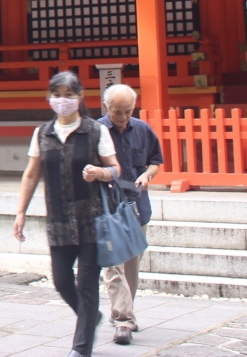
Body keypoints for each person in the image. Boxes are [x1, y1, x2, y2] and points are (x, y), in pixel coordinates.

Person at [13, 72, 121, 357]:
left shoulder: (95, 131)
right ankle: (91, 316)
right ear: (49, 98)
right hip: (58, 219)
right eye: (57, 95)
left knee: (87, 283)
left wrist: (100, 173)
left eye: (69, 95)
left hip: (91, 219)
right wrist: (21, 212)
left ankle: (81, 348)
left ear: (80, 97)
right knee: (61, 280)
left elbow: (115, 168)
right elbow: (31, 174)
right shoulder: (42, 133)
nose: (63, 101)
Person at [98, 84, 164, 345]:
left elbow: (156, 160)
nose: (123, 117)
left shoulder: (142, 129)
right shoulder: (96, 131)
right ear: (106, 107)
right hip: (107, 207)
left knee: (131, 267)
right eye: (117, 112)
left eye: (128, 111)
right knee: (112, 264)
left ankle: (124, 311)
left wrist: (147, 175)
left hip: (137, 206)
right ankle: (123, 319)